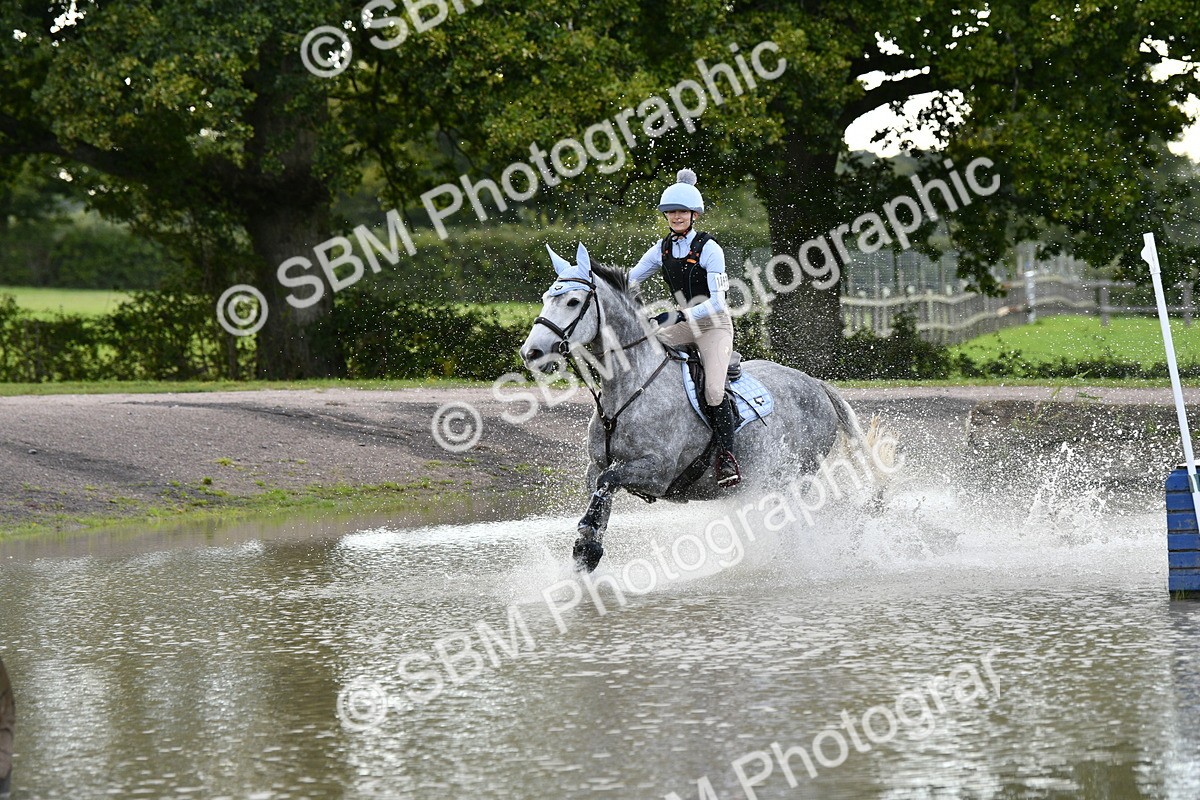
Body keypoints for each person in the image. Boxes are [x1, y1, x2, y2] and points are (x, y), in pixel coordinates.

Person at [630, 168, 740, 488]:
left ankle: (727, 458)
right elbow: (630, 280)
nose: (676, 217)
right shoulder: (661, 249)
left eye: (681, 212)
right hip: (683, 325)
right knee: (645, 356)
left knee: (714, 391)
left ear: (694, 215)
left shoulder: (709, 249)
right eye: (670, 212)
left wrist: (680, 316)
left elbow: (718, 303)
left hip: (714, 326)